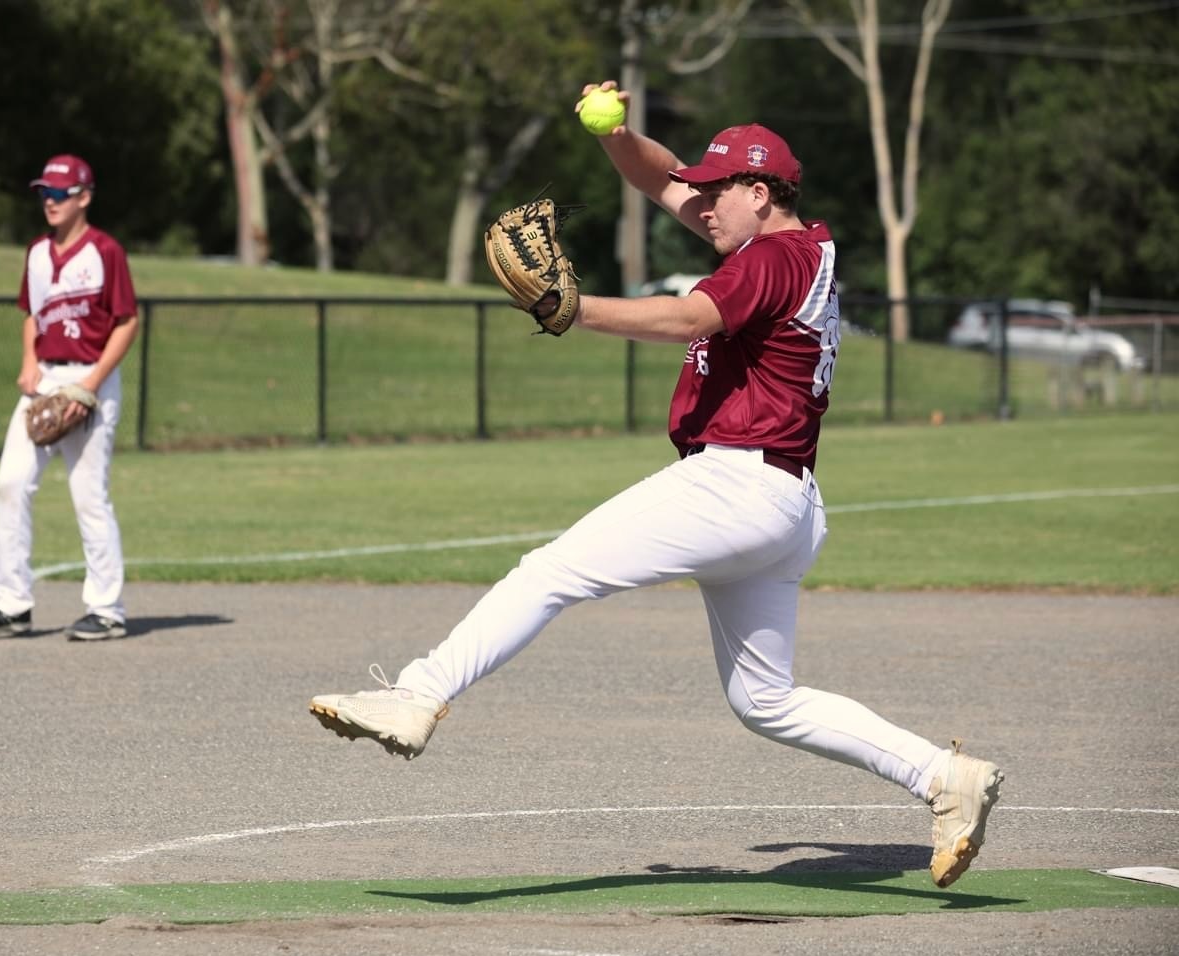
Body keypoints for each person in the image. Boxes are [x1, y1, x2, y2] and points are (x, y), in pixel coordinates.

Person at [309, 83, 1004, 889]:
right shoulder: (790, 246)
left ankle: (418, 694)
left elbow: (688, 319)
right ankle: (943, 779)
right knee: (765, 701)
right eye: (702, 190)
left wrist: (571, 309)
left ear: (759, 191)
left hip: (736, 482)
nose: (701, 202)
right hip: (782, 500)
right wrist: (617, 135)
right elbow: (661, 177)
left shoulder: (772, 261)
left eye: (718, 191)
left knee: (551, 571)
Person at [0, 154, 138, 642]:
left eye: (60, 193)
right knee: (10, 482)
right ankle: (12, 604)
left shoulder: (106, 251)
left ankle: (106, 610)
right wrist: (28, 361)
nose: (50, 201)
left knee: (88, 496)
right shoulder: (37, 252)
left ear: (84, 197)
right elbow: (30, 314)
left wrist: (92, 384)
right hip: (45, 380)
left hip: (91, 378)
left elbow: (127, 322)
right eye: (45, 192)